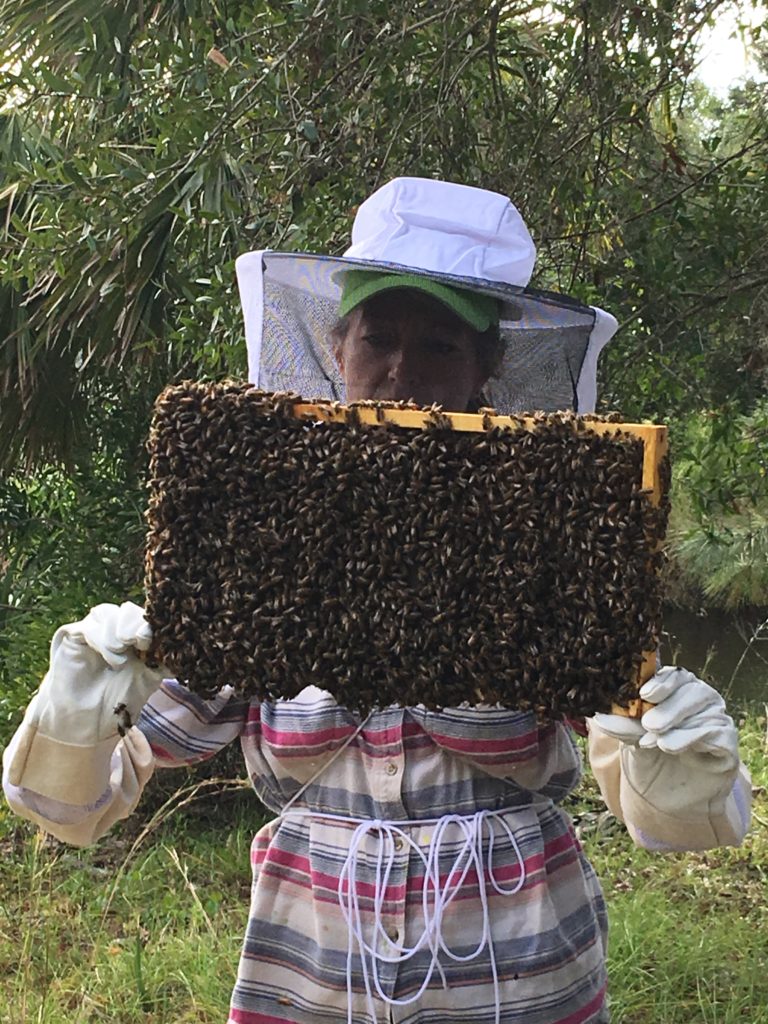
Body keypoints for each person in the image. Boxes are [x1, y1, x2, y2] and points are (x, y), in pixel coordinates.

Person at [3, 177, 752, 1024]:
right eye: (379, 337)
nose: (403, 371)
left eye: (440, 345)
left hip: (519, 963)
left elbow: (673, 822)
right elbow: (75, 808)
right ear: (337, 347)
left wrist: (677, 763)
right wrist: (79, 711)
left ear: (486, 370)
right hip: (312, 970)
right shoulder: (266, 531)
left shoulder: (542, 531)